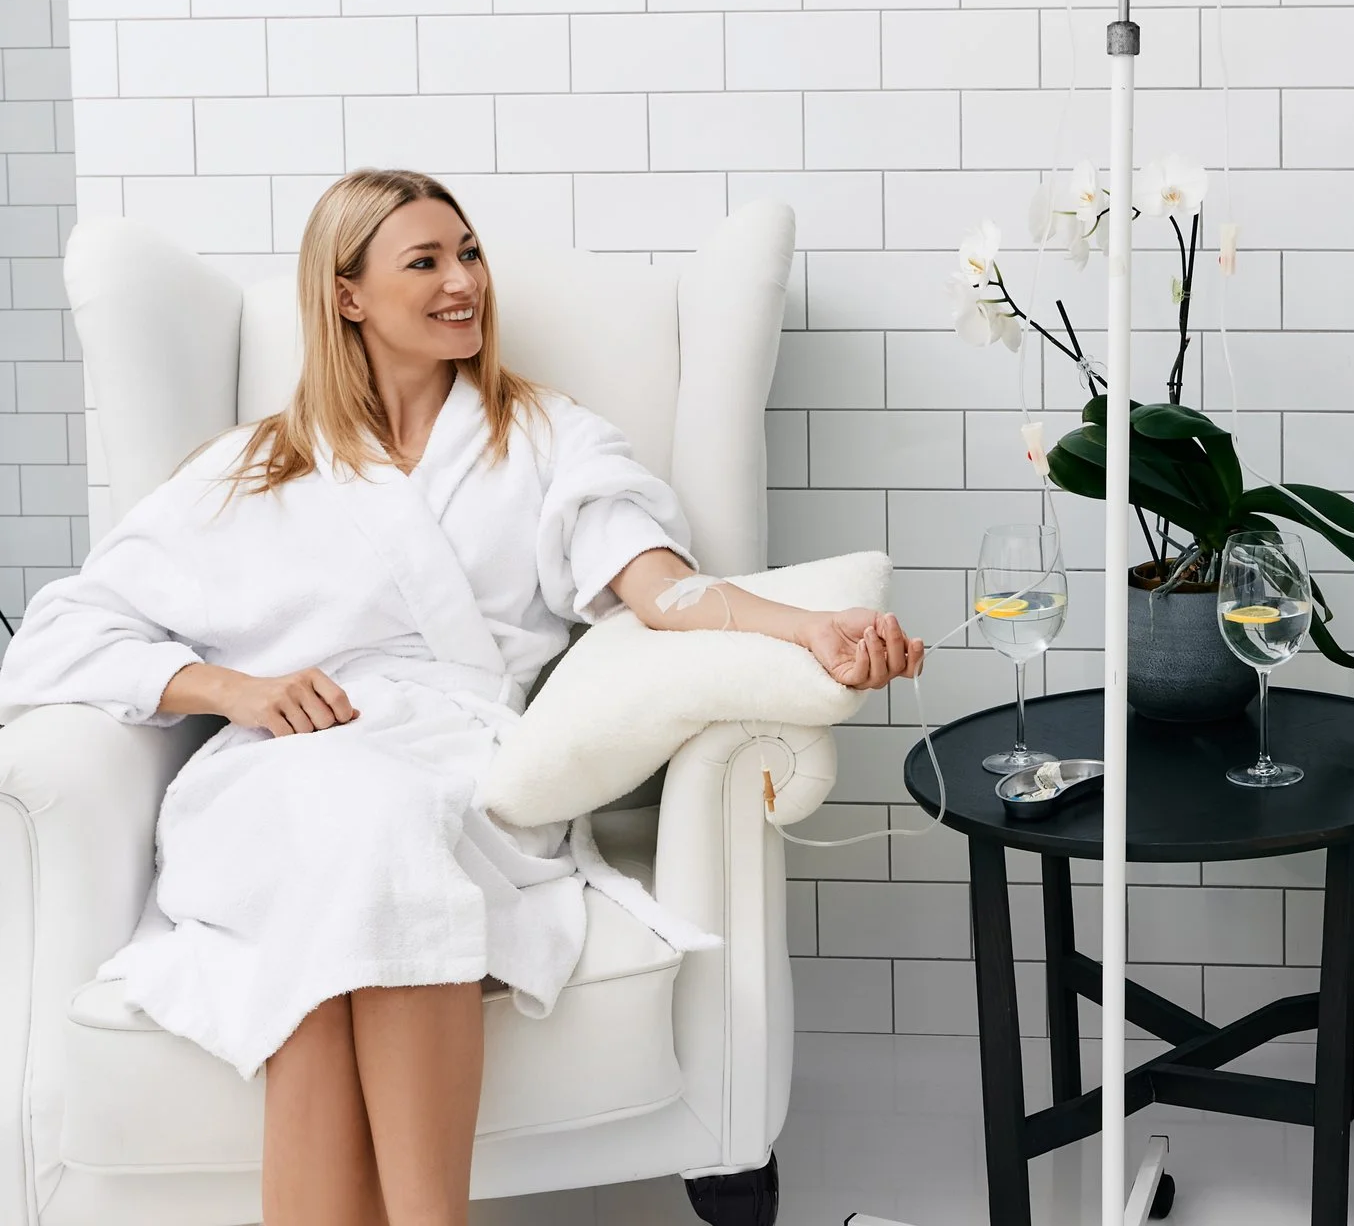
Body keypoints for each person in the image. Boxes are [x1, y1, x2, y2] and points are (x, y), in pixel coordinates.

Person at [0, 170, 925, 1226]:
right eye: (426, 261)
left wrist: (803, 627)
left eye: (469, 253)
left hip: (456, 768)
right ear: (346, 294)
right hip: (270, 777)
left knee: (361, 855)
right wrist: (232, 687)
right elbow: (58, 635)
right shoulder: (248, 468)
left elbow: (662, 587)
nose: (464, 283)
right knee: (344, 841)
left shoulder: (542, 435)